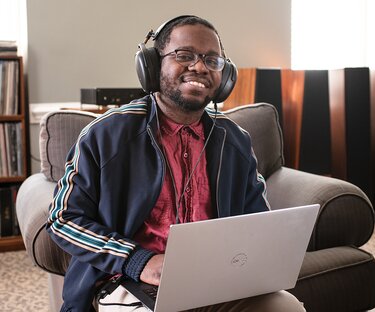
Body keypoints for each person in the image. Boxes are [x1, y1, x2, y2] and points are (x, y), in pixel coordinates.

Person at [46, 15, 306, 312]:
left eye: (212, 60)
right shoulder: (105, 135)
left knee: (286, 307)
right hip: (126, 279)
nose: (199, 67)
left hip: (217, 278)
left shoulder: (235, 141)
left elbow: (258, 223)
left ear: (226, 76)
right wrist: (137, 261)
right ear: (152, 65)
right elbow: (63, 219)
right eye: (184, 56)